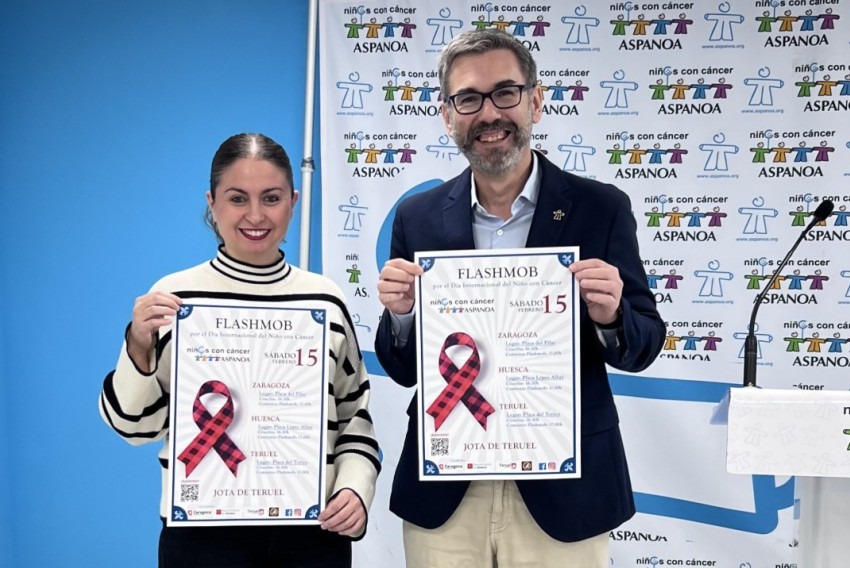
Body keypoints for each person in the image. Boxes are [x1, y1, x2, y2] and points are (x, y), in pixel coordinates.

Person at [374, 29, 665, 568]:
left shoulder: (601, 208)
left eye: (505, 93)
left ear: (534, 100)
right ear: (447, 114)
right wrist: (402, 316)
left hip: (565, 488)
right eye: (468, 98)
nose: (489, 113)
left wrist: (611, 316)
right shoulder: (418, 218)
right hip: (448, 488)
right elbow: (401, 367)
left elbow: (642, 345)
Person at [99, 133, 380, 568]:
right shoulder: (174, 298)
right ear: (212, 203)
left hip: (313, 536)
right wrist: (138, 344)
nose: (255, 215)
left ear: (294, 201)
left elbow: (355, 418)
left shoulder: (325, 302)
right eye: (237, 198)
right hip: (201, 537)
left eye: (271, 198)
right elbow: (132, 428)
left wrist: (354, 490)